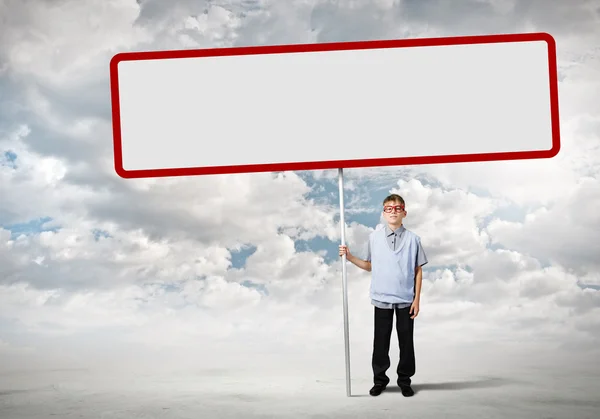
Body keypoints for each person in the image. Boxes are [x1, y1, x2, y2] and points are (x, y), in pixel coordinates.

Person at [339, 193, 428, 397]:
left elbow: (418, 270)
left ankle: (404, 380)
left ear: (404, 212)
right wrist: (350, 257)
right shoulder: (374, 238)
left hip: (406, 299)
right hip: (381, 298)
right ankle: (380, 380)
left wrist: (417, 299)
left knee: (406, 342)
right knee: (381, 342)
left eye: (397, 208)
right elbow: (369, 266)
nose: (393, 211)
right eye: (389, 208)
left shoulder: (414, 240)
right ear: (383, 213)